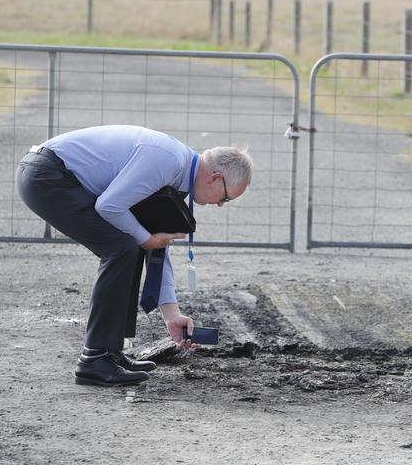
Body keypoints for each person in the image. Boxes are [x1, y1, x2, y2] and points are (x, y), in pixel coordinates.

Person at [16, 125, 253, 387]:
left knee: (131, 243)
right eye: (226, 198)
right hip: (47, 176)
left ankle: (110, 354)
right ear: (214, 177)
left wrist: (172, 315)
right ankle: (94, 360)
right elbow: (109, 206)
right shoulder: (169, 162)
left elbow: (157, 249)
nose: (220, 205)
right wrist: (147, 239)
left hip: (55, 174)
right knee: (122, 248)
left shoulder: (179, 175)